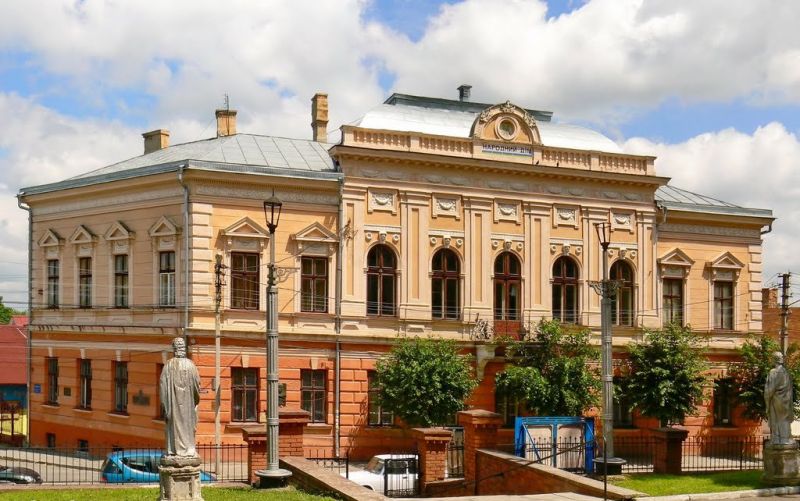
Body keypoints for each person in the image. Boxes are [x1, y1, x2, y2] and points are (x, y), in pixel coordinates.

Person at [160, 337, 201, 457]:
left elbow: (163, 387)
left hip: (173, 408)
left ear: (174, 349)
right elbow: (196, 386)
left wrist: (165, 406)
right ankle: (189, 449)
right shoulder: (191, 365)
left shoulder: (168, 365)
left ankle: (173, 450)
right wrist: (194, 401)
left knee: (174, 426)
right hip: (188, 407)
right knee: (187, 426)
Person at [765, 351, 794, 446]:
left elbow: (769, 390)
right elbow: (790, 389)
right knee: (784, 420)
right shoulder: (787, 373)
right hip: (786, 401)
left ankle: (777, 440)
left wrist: (767, 402)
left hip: (775, 400)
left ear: (774, 360)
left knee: (775, 420)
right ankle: (786, 439)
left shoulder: (773, 372)